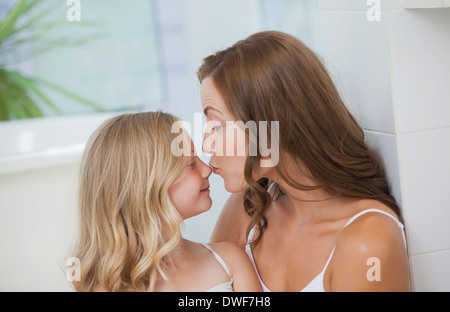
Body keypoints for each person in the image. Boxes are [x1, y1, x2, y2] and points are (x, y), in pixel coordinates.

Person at [197, 31, 410, 291]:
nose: (207, 145)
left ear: (269, 127)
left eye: (217, 127)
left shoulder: (368, 242)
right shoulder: (246, 211)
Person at [70, 111, 261, 292]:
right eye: (191, 164)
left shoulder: (230, 261)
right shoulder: (109, 287)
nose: (207, 169)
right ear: (146, 187)